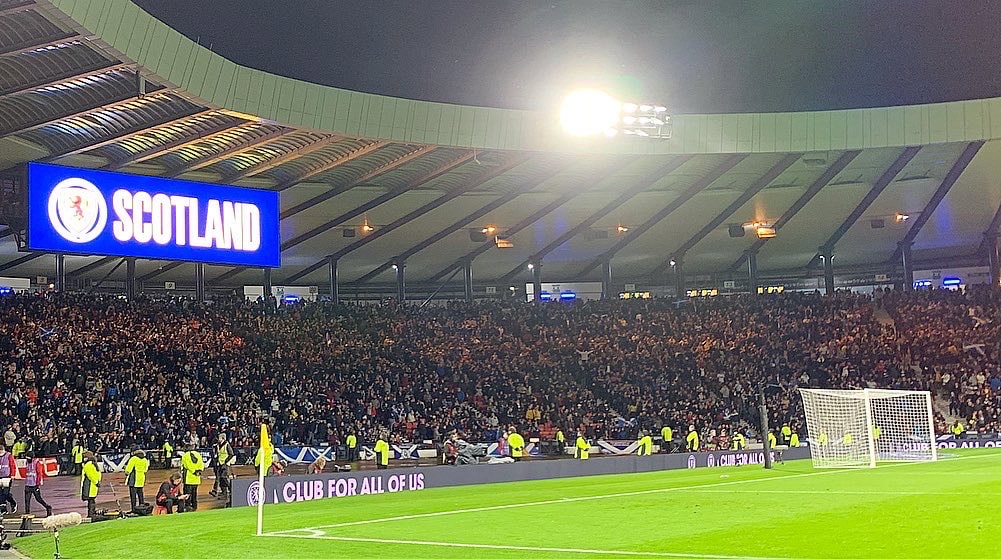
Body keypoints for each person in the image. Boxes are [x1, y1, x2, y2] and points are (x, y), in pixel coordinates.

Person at [22, 452, 52, 516]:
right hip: (28, 484)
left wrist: (37, 483)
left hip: (34, 485)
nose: (27, 459)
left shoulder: (37, 463)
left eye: (28, 458)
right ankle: (27, 513)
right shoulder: (27, 462)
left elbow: (39, 473)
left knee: (38, 499)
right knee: (27, 500)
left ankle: (48, 507)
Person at [180, 445, 204, 511]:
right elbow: (202, 464)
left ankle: (188, 506)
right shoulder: (198, 454)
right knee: (194, 493)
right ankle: (194, 506)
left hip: (188, 478)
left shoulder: (185, 455)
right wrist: (199, 471)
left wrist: (193, 471)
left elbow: (187, 465)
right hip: (196, 478)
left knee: (187, 493)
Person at [80, 450, 101, 518]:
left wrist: (96, 482)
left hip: (89, 485)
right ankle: (92, 513)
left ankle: (91, 514)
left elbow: (90, 475)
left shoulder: (88, 465)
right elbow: (98, 474)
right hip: (94, 485)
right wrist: (97, 482)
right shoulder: (93, 464)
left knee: (90, 500)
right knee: (92, 500)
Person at [0, 445, 16, 515]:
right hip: (0, 477)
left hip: (7, 477)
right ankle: (3, 509)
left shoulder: (9, 455)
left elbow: (12, 465)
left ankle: (13, 503)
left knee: (6, 493)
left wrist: (12, 475)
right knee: (1, 494)